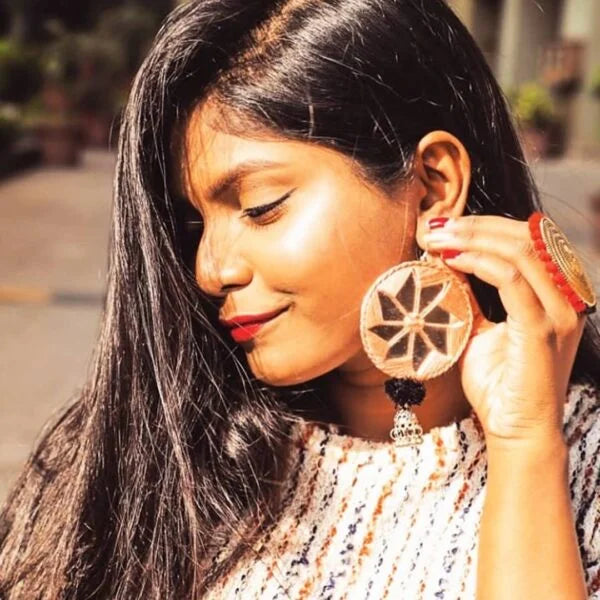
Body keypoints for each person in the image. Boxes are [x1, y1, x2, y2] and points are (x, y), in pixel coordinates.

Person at [1, 0, 600, 598]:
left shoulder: (581, 463)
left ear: (432, 189)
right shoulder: (145, 456)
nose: (210, 270)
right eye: (193, 226)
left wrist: (525, 445)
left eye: (260, 207)